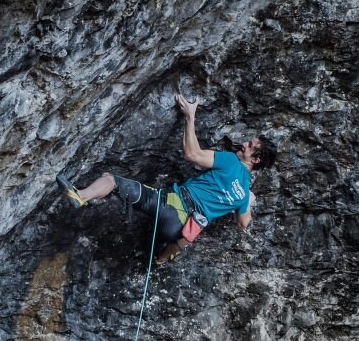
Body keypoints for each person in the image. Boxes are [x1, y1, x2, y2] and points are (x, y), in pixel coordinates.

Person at [56, 93, 277, 264]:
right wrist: (247, 200)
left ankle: (80, 195)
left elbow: (192, 154)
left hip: (167, 204)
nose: (245, 143)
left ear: (255, 159)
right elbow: (244, 223)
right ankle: (161, 259)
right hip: (177, 229)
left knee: (112, 179)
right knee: (190, 231)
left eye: (251, 146)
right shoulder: (244, 194)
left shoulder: (230, 162)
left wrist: (189, 117)